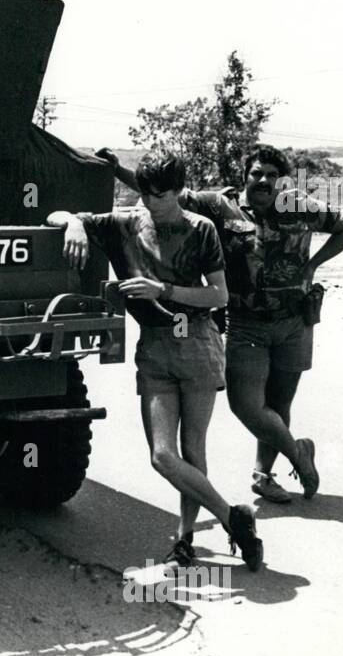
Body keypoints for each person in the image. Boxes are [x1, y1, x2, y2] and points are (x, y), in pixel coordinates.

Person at [97, 144, 343, 502]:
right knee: (246, 405)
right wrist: (117, 169)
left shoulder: (299, 205)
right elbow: (165, 189)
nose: (264, 181)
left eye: (272, 175)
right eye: (257, 173)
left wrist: (314, 264)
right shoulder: (222, 205)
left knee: (279, 402)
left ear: (282, 180)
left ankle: (263, 476)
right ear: (245, 175)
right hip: (245, 321)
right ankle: (298, 453)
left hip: (295, 320)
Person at [48, 152, 264, 571]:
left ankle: (184, 541)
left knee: (192, 449)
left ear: (180, 190)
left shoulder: (200, 229)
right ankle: (232, 516)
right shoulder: (126, 222)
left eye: (160, 195)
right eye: (144, 193)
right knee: (163, 456)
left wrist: (161, 289)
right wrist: (74, 222)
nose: (150, 202)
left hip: (197, 339)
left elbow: (218, 296)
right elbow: (55, 214)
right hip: (155, 346)